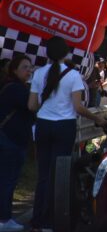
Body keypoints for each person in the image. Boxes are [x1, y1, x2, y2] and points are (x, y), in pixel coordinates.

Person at [28, 36, 107, 232]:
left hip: (43, 125)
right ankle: (51, 220)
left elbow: (32, 105)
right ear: (65, 53)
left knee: (44, 174)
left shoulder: (38, 74)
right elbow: (79, 108)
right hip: (64, 126)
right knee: (60, 174)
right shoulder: (73, 76)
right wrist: (97, 119)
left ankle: (37, 220)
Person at [0, 55, 34, 232]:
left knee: (8, 180)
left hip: (14, 140)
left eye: (30, 67)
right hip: (10, 140)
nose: (29, 70)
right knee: (7, 180)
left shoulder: (17, 87)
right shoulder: (15, 89)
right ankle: (4, 219)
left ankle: (6, 217)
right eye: (24, 67)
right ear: (14, 70)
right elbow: (33, 106)